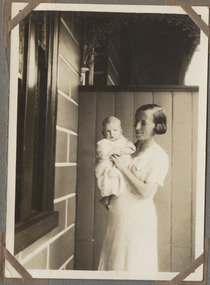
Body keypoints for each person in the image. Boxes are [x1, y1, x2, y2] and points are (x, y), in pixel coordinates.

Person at [97, 104, 169, 273]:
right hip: (117, 215)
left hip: (138, 220)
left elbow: (145, 192)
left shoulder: (158, 156)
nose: (137, 127)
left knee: (132, 264)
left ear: (156, 126)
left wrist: (122, 167)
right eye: (136, 121)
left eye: (143, 123)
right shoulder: (126, 147)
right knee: (113, 262)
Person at [95, 116, 136, 210]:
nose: (111, 134)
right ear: (103, 133)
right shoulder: (102, 143)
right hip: (107, 167)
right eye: (108, 131)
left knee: (120, 182)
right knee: (107, 181)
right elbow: (101, 153)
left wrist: (123, 150)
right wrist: (112, 151)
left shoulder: (124, 141)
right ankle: (106, 198)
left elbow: (132, 148)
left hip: (120, 167)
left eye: (115, 130)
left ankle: (114, 198)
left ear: (121, 131)